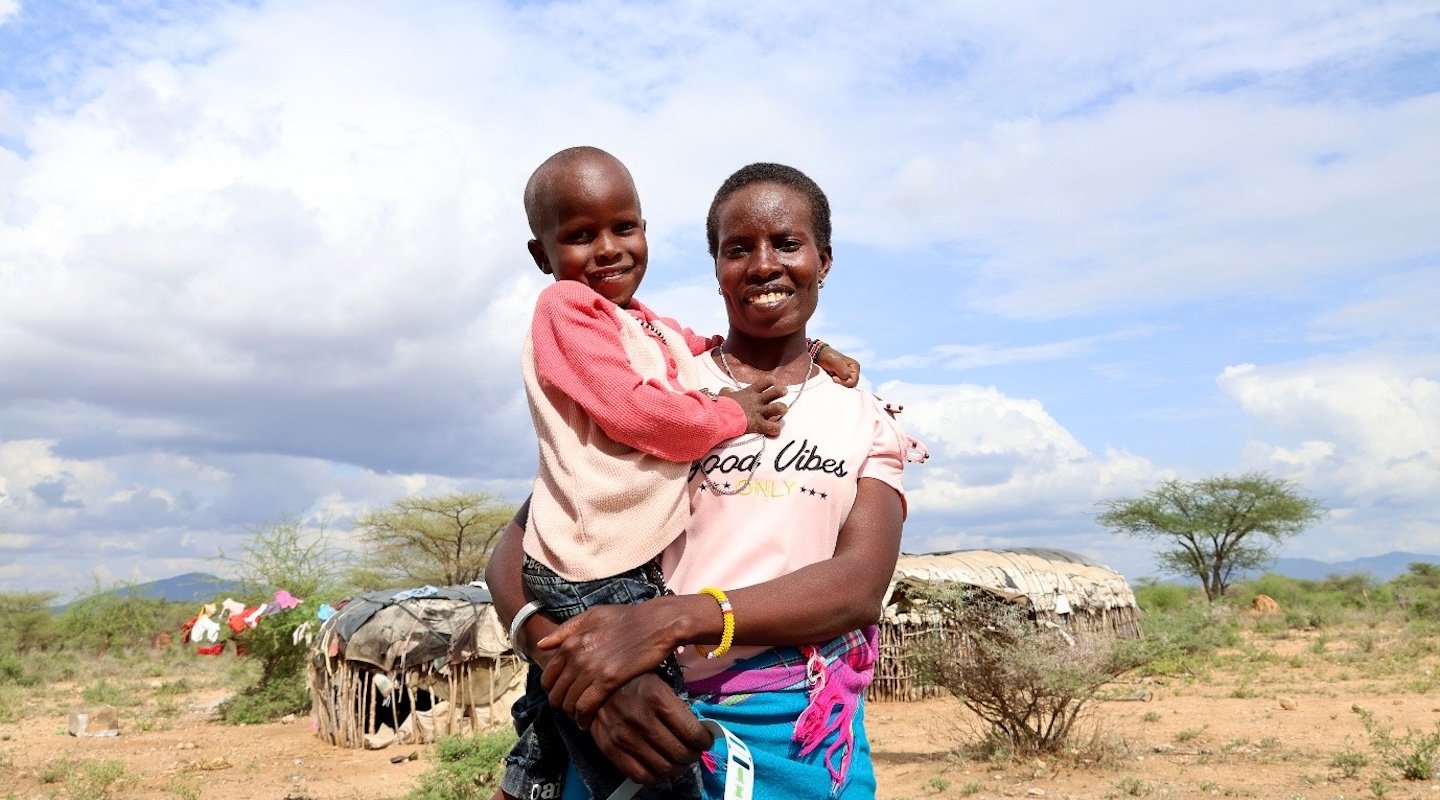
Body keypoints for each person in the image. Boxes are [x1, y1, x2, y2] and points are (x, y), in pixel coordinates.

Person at [489, 161, 927, 799]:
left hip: (796, 739)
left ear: (823, 260)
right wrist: (585, 676)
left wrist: (669, 622)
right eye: (737, 248)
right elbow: (519, 547)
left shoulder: (862, 415)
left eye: (787, 243)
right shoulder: (660, 380)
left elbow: (859, 586)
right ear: (716, 265)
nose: (764, 265)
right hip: (632, 725)